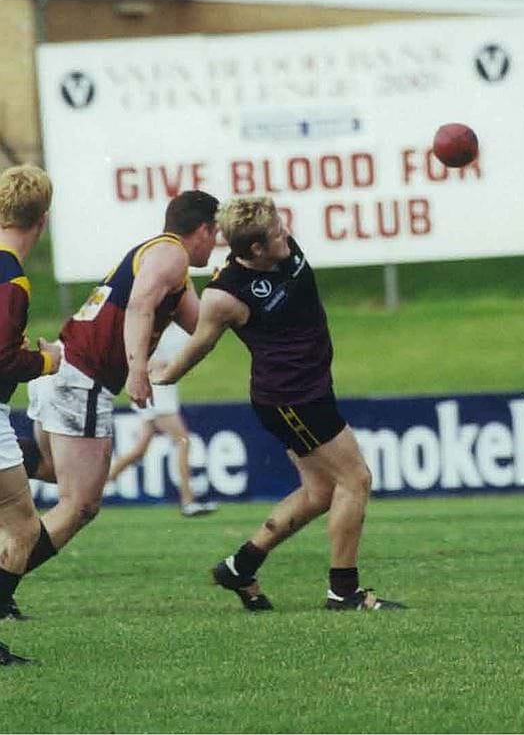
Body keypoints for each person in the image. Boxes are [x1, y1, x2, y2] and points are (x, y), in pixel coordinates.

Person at [154, 196, 402, 612]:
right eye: (275, 234)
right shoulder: (224, 294)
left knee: (321, 491)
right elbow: (200, 345)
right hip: (292, 399)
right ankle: (343, 593)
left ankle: (241, 566)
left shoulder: (283, 247)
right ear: (254, 249)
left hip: (311, 389)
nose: (285, 235)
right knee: (355, 479)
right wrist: (163, 377)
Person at [14, 190, 218, 620]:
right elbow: (140, 307)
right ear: (202, 229)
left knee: (53, 473)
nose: (215, 242)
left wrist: (230, 289)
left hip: (65, 369)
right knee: (80, 505)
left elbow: (205, 327)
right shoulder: (171, 255)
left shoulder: (166, 263)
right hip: (81, 379)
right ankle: (1, 586)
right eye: (215, 233)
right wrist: (138, 369)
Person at [0, 165, 63, 661]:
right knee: (22, 529)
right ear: (41, 220)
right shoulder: (12, 278)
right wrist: (46, 360)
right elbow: (2, 357)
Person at [106, 323, 217, 517]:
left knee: (139, 450)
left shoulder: (176, 326)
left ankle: (96, 488)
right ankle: (187, 500)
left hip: (160, 393)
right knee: (183, 441)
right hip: (157, 395)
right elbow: (138, 355)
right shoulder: (155, 324)